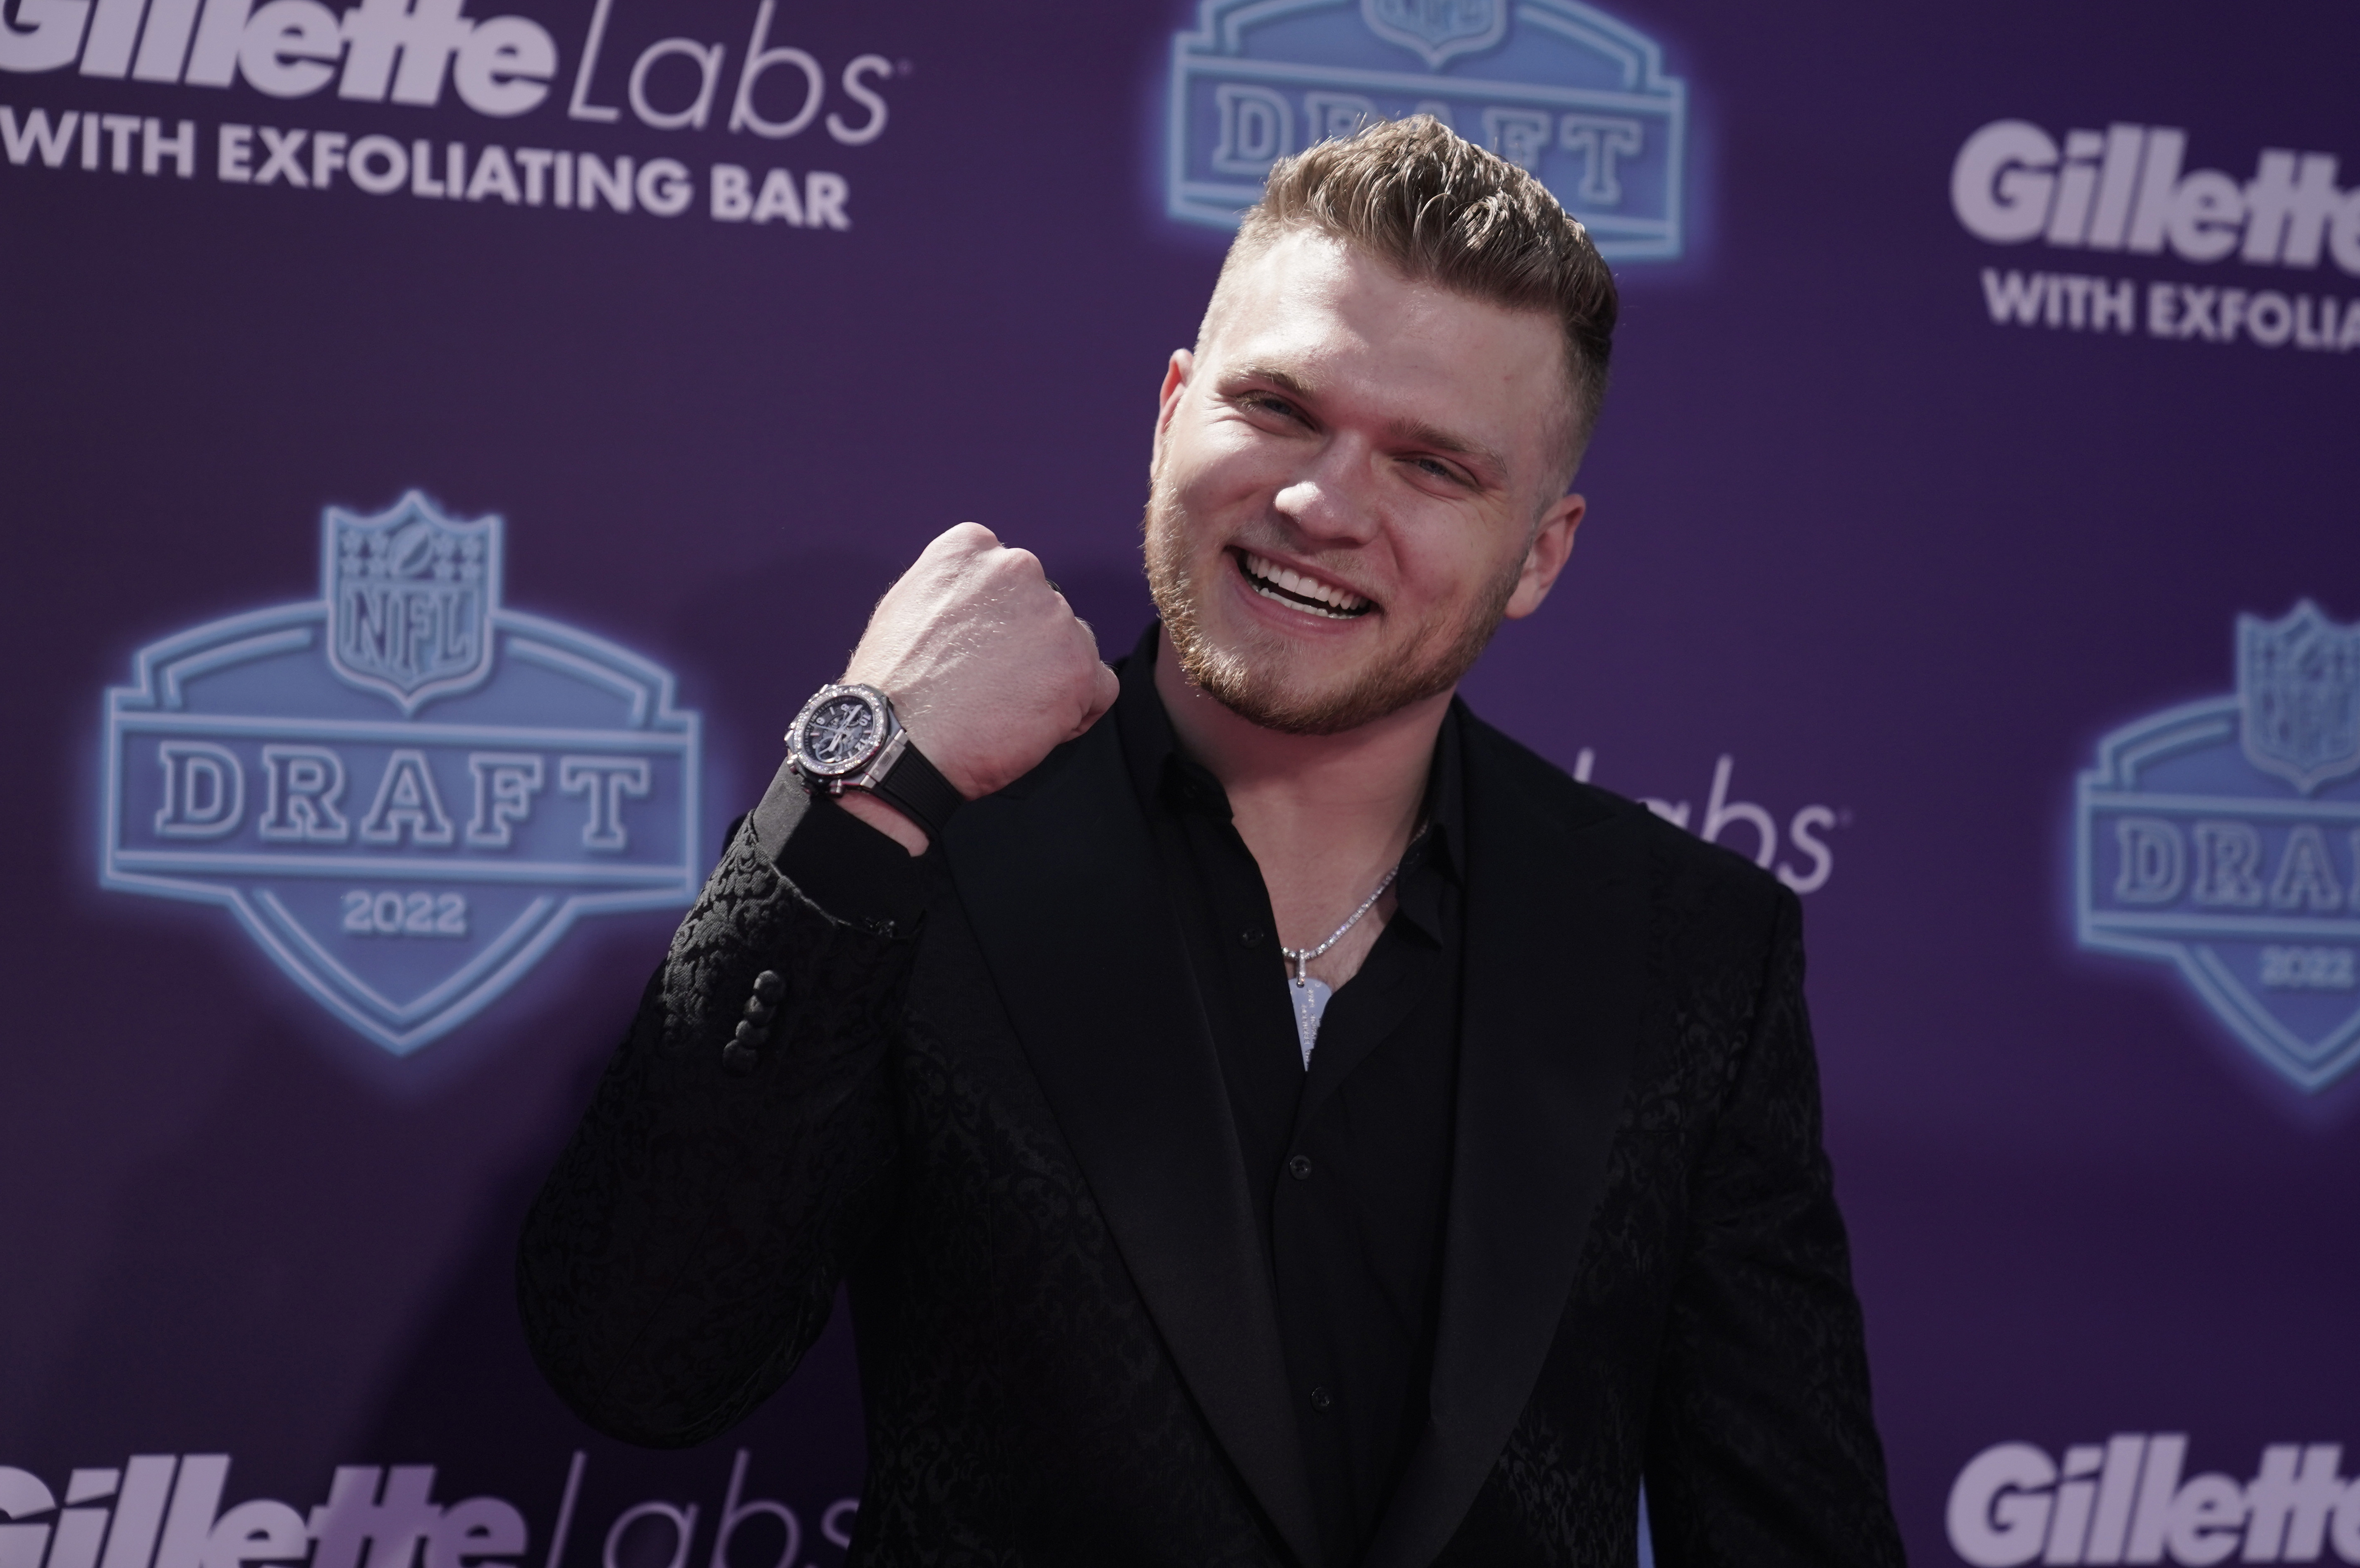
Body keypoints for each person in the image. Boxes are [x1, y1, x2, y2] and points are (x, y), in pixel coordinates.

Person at [519, 115, 1904, 1568]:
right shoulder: (916, 849)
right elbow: (639, 1358)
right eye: (1283, 408)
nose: (1323, 504)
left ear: (1541, 553)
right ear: (1174, 409)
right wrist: (860, 771)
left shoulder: (1689, 944)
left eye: (1435, 467)